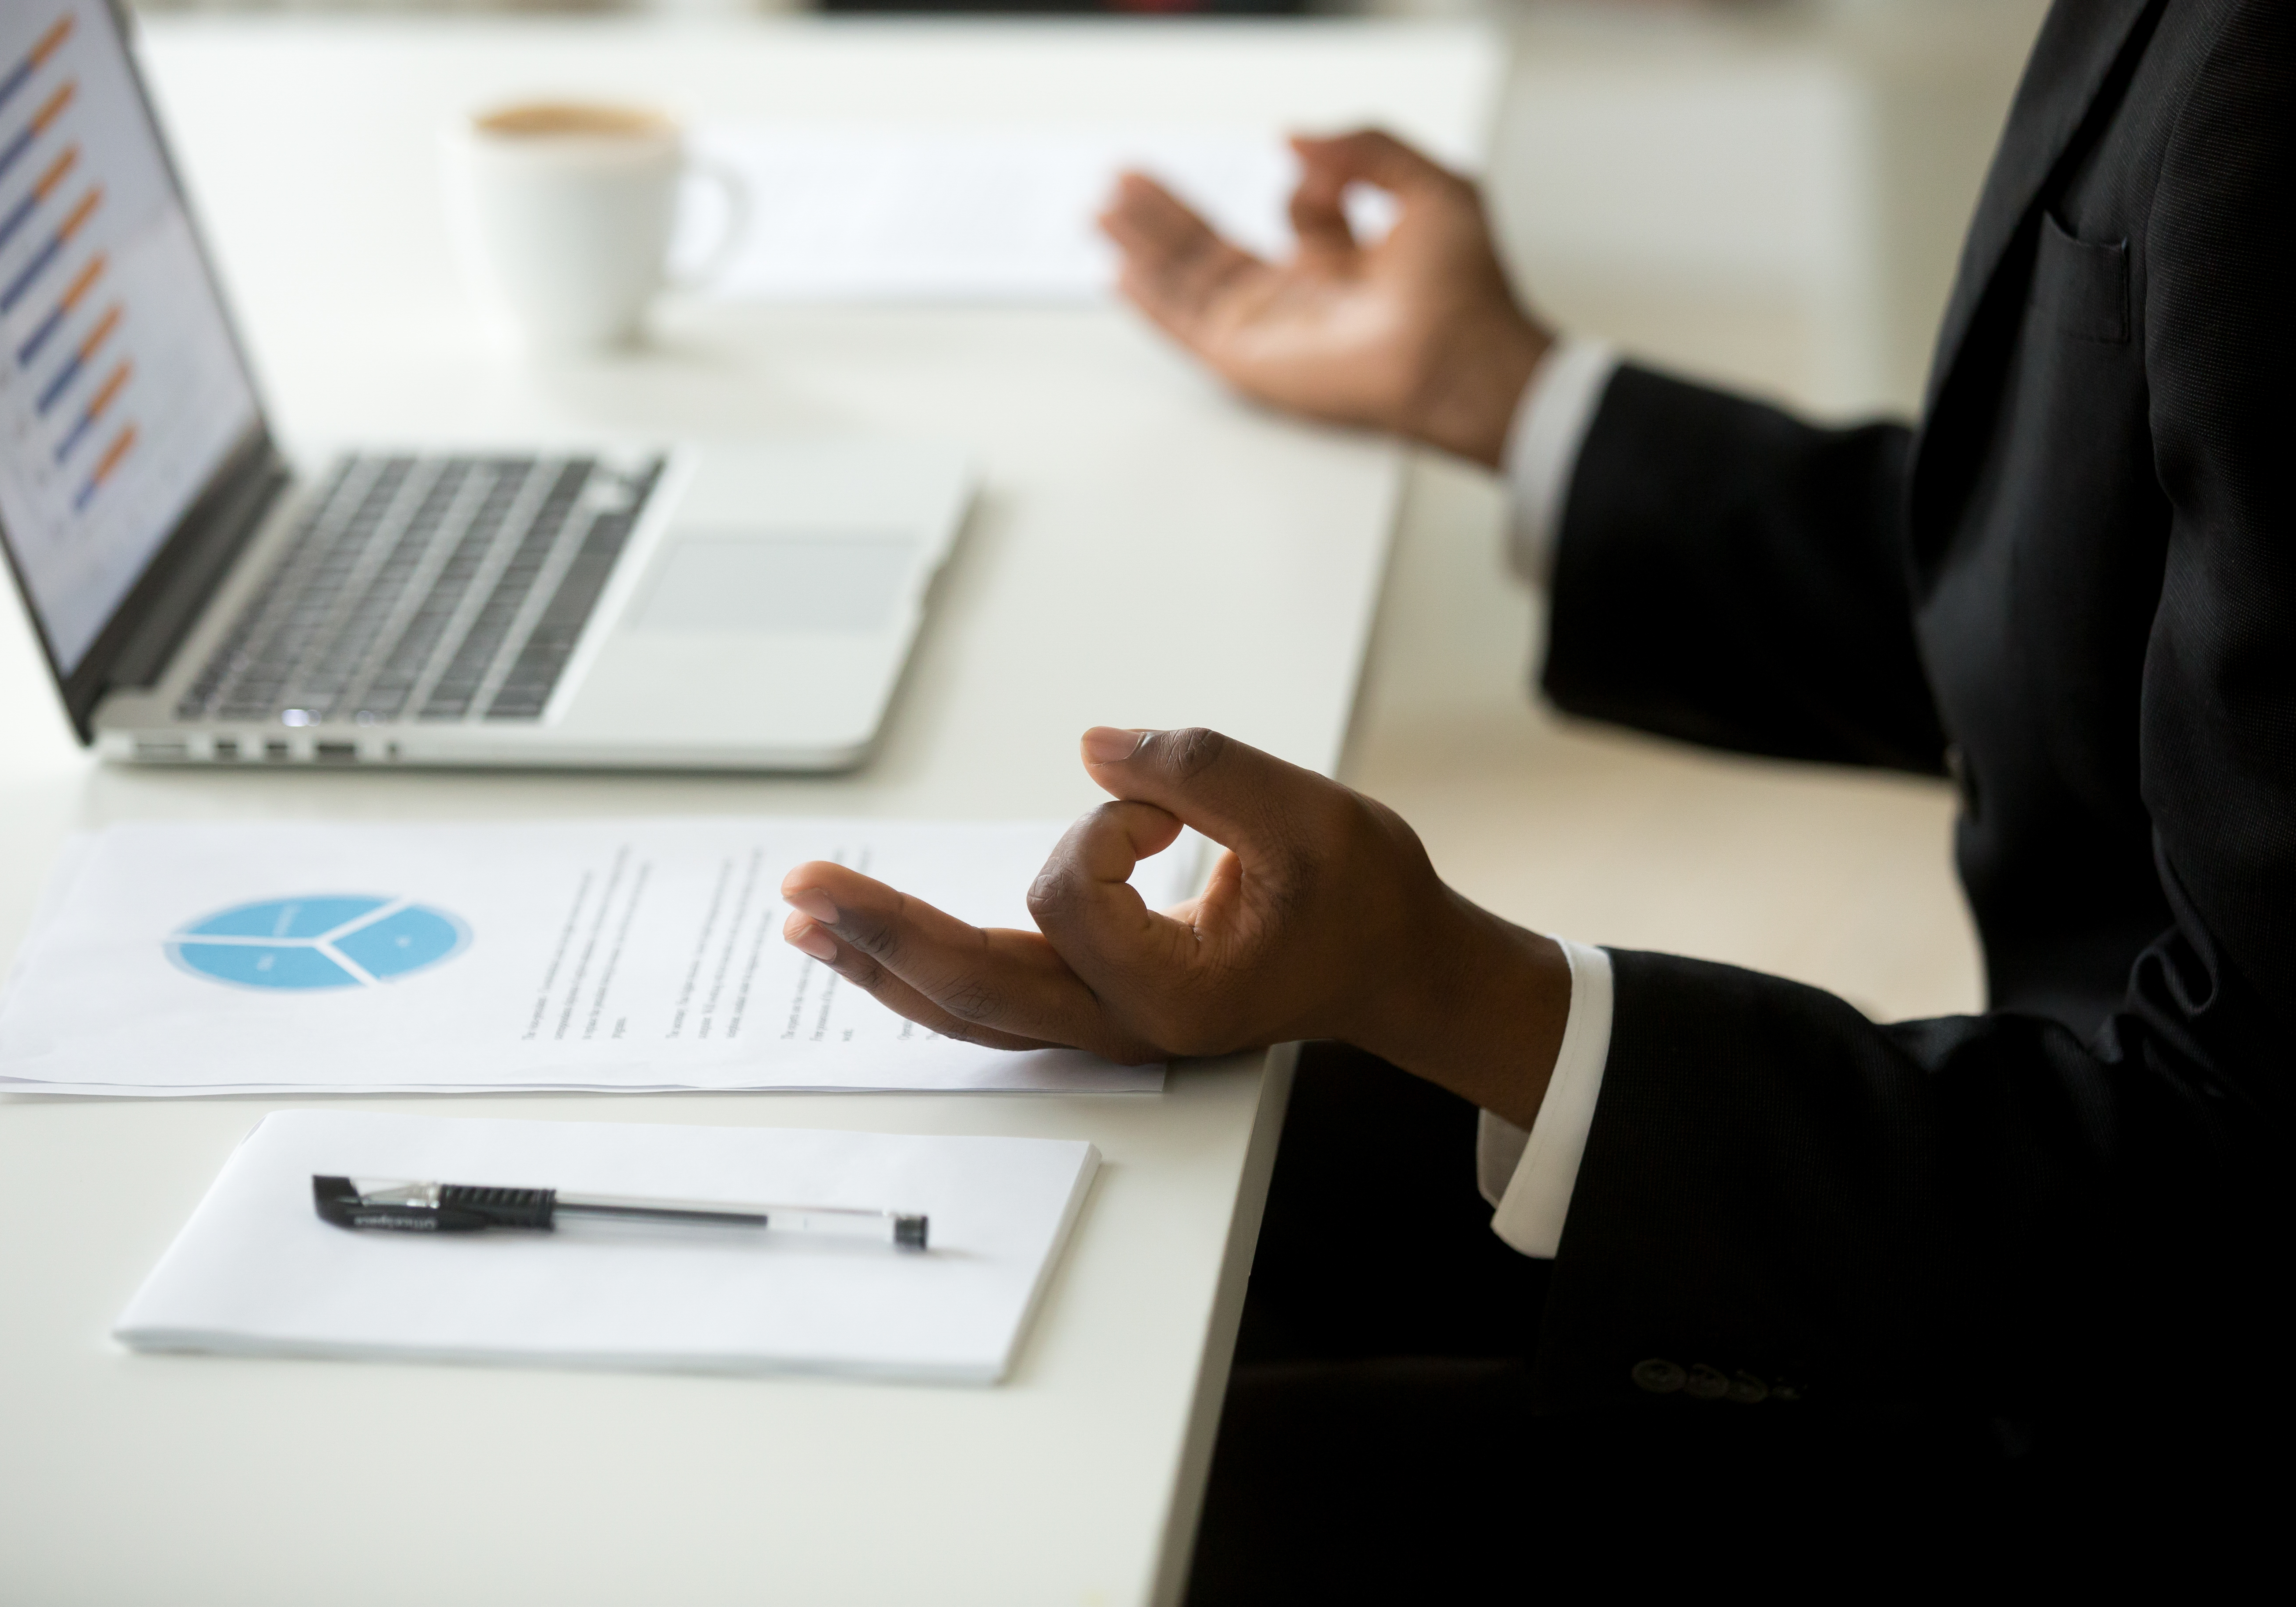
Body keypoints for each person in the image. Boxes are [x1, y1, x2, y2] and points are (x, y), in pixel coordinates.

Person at [778, 0, 2288, 1588]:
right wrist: (1506, 394)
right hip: (2089, 1197)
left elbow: (2243, 1192)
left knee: (1044, 1524)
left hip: (2161, 1382)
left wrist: (1442, 981)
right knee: (1107, 1207)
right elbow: (2125, 605)